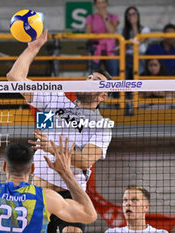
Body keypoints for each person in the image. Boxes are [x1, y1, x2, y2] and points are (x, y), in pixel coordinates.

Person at [7, 30, 112, 232]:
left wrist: (54, 149)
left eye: (96, 81)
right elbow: (14, 77)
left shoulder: (102, 125)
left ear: (104, 96)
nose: (90, 80)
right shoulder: (55, 98)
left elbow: (84, 160)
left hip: (69, 195)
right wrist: (33, 48)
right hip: (38, 193)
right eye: (89, 77)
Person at [0, 102, 97, 233]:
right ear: (32, 169)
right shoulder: (46, 199)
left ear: (4, 166)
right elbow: (89, 215)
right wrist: (66, 173)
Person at [85, 0, 119, 78]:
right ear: (95, 5)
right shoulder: (90, 17)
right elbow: (88, 34)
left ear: (106, 4)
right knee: (93, 74)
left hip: (110, 49)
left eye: (103, 2)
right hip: (96, 48)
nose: (101, 5)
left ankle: (113, 90)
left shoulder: (113, 17)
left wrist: (105, 17)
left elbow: (112, 31)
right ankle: (93, 90)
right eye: (98, 3)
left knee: (113, 74)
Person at [122, 6, 150, 80]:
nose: (132, 16)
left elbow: (138, 42)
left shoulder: (145, 29)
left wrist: (134, 25)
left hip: (140, 57)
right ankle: (125, 90)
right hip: (127, 58)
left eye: (134, 14)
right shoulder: (124, 31)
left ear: (138, 15)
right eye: (129, 15)